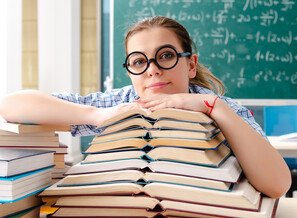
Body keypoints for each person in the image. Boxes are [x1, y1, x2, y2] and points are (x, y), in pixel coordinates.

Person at [0, 16, 291, 198]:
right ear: (130, 71)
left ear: (191, 65)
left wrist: (211, 106)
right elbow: (12, 105)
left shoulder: (222, 108)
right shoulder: (121, 102)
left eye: (165, 56)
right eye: (139, 61)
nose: (152, 70)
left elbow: (278, 185)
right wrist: (98, 115)